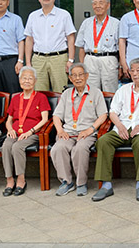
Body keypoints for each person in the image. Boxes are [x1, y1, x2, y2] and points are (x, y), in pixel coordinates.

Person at [92, 58, 139, 202]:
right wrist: (119, 125)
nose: (135, 74)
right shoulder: (123, 90)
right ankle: (106, 185)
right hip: (123, 127)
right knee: (103, 141)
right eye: (132, 71)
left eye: (138, 70)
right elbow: (113, 112)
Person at [51, 63, 108, 197]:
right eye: (74, 75)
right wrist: (60, 131)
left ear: (87, 76)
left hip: (87, 133)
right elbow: (56, 116)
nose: (78, 78)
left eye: (81, 75)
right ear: (70, 78)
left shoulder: (96, 93)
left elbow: (103, 115)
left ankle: (81, 183)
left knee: (80, 149)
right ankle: (67, 182)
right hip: (68, 133)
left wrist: (90, 130)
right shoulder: (66, 94)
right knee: (57, 148)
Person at [1, 66, 50, 196]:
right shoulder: (16, 98)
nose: (27, 81)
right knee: (6, 146)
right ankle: (9, 180)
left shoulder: (41, 97)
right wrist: (10, 129)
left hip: (32, 133)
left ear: (35, 81)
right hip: (15, 132)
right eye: (24, 78)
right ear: (19, 80)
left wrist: (31, 131)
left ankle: (21, 180)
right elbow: (9, 120)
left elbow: (45, 119)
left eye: (30, 78)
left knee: (17, 147)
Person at [24, 0, 77, 92]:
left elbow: (71, 38)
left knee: (61, 90)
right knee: (38, 91)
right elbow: (29, 40)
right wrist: (28, 63)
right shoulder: (33, 16)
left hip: (59, 58)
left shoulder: (64, 15)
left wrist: (70, 60)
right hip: (38, 59)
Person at [75, 0, 120, 93]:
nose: (97, 6)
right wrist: (82, 66)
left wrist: (121, 66)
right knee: (91, 91)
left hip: (108, 59)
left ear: (108, 5)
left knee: (110, 90)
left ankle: (110, 104)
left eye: (101, 3)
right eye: (95, 3)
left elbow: (121, 46)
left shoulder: (116, 23)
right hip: (90, 59)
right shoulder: (86, 23)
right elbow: (81, 47)